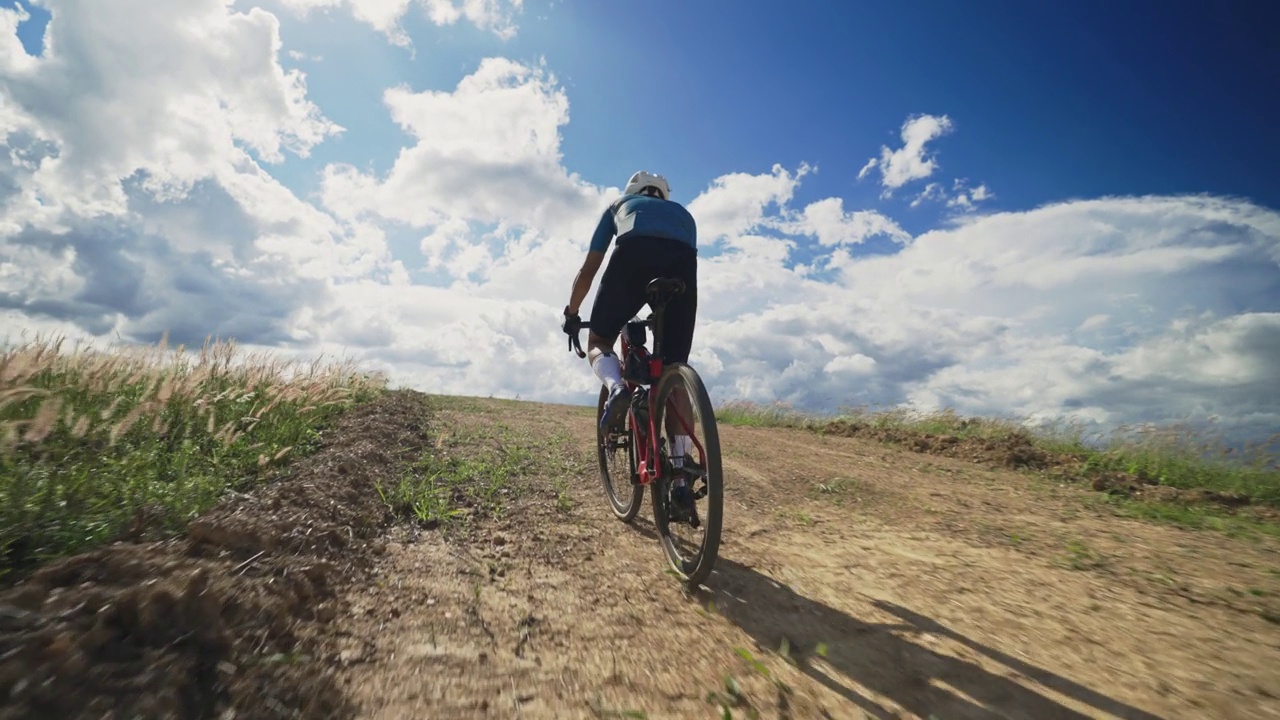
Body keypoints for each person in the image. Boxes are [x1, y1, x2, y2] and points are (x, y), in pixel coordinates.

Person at [561, 170, 699, 465]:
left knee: (599, 340)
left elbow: (588, 270)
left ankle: (617, 388)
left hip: (633, 254)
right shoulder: (683, 215)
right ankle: (681, 469)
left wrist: (572, 313)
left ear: (633, 190)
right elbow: (675, 254)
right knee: (674, 371)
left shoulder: (619, 204)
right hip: (682, 267)